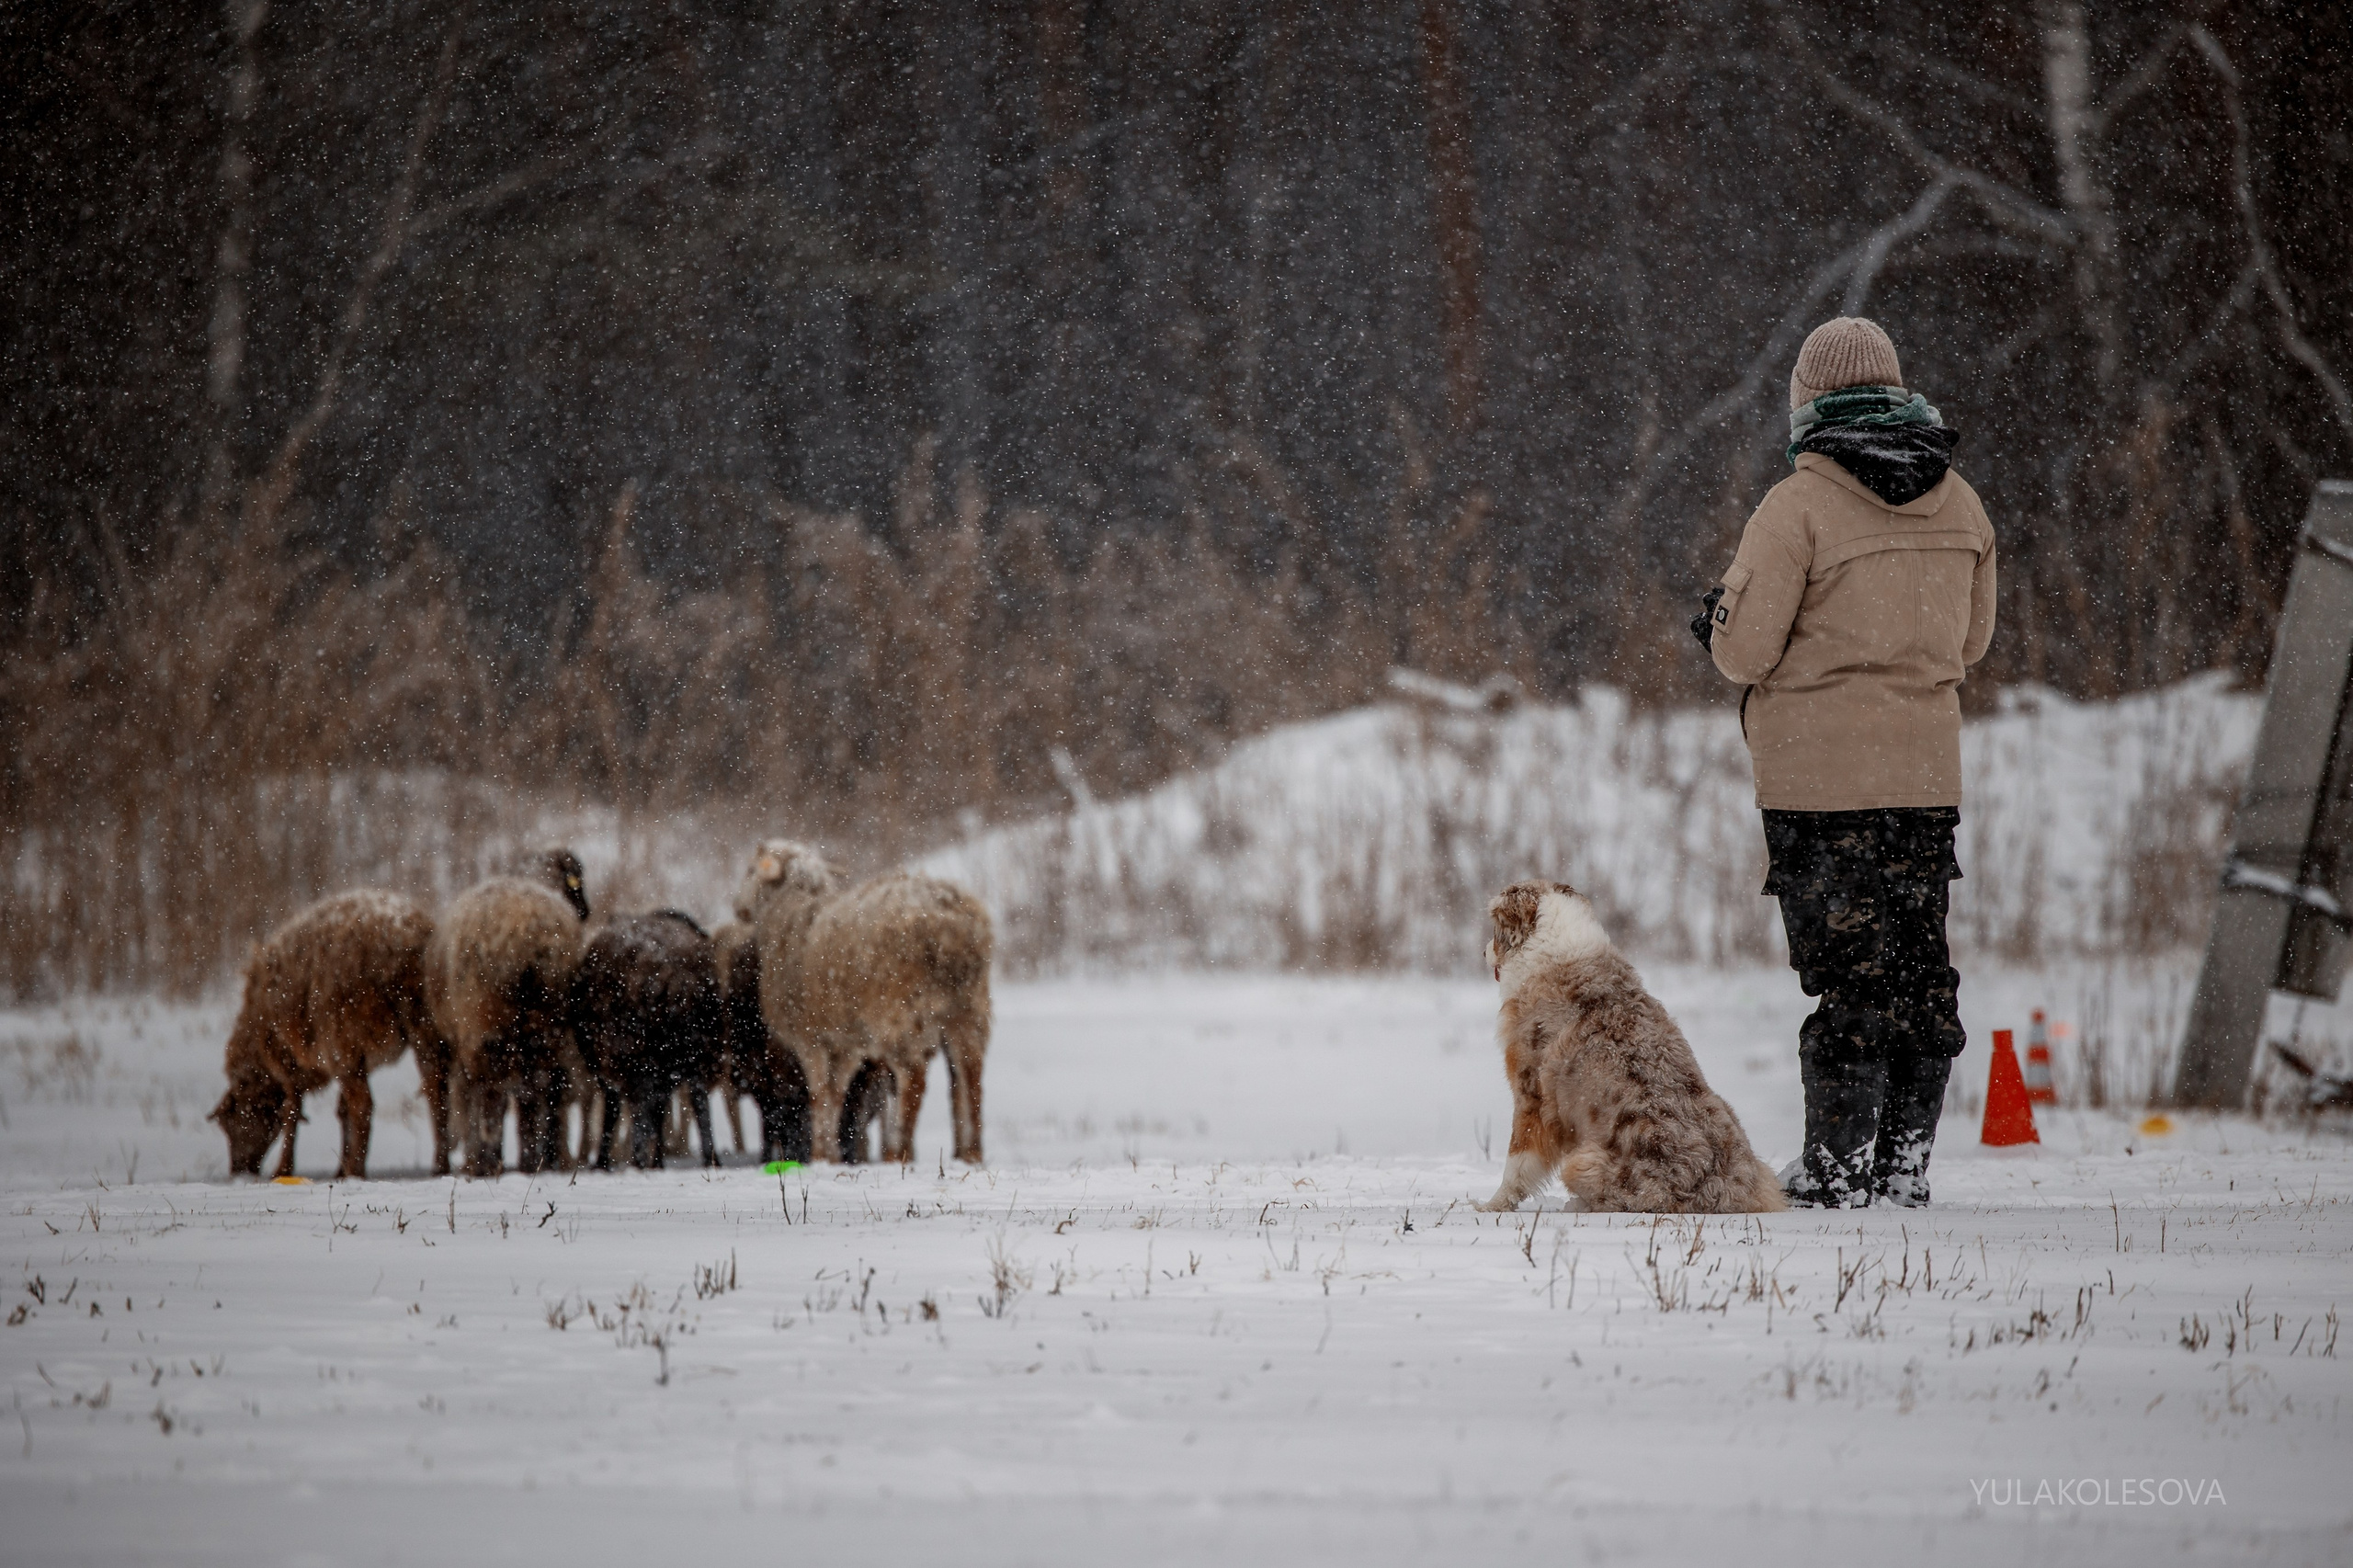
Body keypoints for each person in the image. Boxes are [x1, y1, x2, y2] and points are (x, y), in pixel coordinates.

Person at [1693, 317, 1995, 1207]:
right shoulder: (1964, 504)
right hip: (1923, 786)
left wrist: (1715, 616)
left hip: (1820, 791)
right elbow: (1970, 641)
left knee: (1849, 977)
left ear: (1808, 404)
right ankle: (1905, 1162)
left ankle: (1835, 1166)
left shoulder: (1797, 508)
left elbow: (1742, 652)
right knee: (1916, 969)